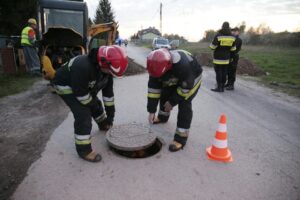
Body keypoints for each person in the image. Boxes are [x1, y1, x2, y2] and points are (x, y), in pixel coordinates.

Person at [52, 45, 128, 162]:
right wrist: (93, 105)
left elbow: (108, 96)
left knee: (94, 103)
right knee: (83, 114)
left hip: (82, 86)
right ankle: (84, 151)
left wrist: (110, 117)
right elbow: (82, 96)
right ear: (103, 64)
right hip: (66, 85)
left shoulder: (106, 71)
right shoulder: (83, 66)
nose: (111, 74)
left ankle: (103, 124)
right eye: (110, 71)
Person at [146, 48, 203, 152]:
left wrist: (172, 102)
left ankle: (181, 138)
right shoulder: (154, 66)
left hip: (191, 80)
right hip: (175, 76)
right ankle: (163, 117)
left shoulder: (184, 65)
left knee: (184, 103)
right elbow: (154, 90)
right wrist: (151, 110)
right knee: (165, 93)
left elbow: (185, 89)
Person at [209, 22, 236, 92]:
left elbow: (212, 47)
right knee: (224, 72)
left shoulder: (218, 36)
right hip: (226, 58)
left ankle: (219, 87)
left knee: (218, 72)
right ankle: (222, 87)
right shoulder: (232, 37)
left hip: (218, 58)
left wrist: (212, 42)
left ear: (222, 27)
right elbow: (233, 49)